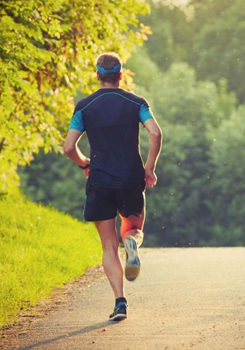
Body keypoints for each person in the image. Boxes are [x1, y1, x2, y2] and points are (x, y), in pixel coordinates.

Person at [63, 52, 162, 321]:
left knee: (108, 246)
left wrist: (85, 164)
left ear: (97, 75)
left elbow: (69, 147)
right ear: (120, 75)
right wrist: (149, 168)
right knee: (133, 228)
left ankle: (120, 302)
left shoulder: (85, 106)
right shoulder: (136, 103)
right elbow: (155, 132)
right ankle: (132, 242)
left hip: (100, 181)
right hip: (131, 177)